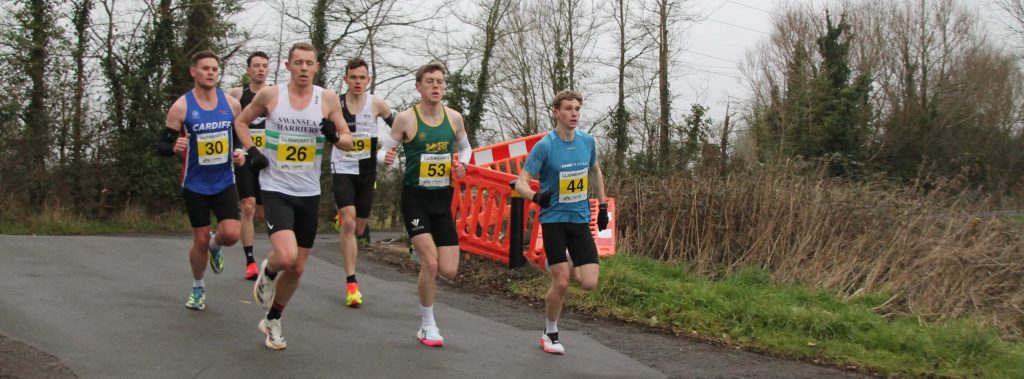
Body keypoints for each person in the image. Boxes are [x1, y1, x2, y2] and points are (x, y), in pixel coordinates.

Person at [234, 42, 353, 350]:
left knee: (298, 267)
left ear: (316, 67)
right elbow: (241, 122)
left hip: (309, 192)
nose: (303, 68)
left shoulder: (326, 98)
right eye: (297, 62)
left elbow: (349, 141)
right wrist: (253, 151)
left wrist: (334, 137)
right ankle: (268, 271)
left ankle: (272, 320)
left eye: (309, 63)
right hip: (275, 188)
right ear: (287, 66)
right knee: (285, 257)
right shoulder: (270, 95)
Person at [379, 61, 473, 347]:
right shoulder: (406, 119)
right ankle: (427, 325)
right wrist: (385, 158)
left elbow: (466, 148)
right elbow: (383, 149)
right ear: (419, 87)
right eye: (430, 81)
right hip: (415, 199)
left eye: (440, 81)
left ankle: (418, 248)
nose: (436, 86)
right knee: (431, 264)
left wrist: (463, 166)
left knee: (449, 270)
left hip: (441, 200)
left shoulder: (454, 118)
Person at [513, 90, 609, 355]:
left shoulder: (587, 141)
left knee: (589, 282)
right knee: (563, 283)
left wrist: (602, 206)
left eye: (577, 108)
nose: (574, 113)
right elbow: (520, 182)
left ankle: (562, 259)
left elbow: (595, 170)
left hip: (579, 219)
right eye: (568, 108)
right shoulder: (546, 145)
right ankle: (550, 332)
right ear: (556, 113)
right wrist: (535, 196)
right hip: (554, 219)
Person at [156, 51, 246, 311]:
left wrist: (240, 152)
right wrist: (174, 147)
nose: (210, 73)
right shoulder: (182, 106)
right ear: (193, 72)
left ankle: (216, 246)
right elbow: (161, 144)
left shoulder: (231, 104)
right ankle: (198, 286)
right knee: (200, 239)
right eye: (205, 68)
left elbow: (239, 136)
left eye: (215, 69)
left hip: (224, 180)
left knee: (231, 234)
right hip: (195, 183)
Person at [329, 57, 395, 307]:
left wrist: (390, 151)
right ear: (346, 79)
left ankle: (348, 220)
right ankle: (351, 283)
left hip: (367, 171)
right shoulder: (335, 103)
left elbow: (398, 128)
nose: (357, 82)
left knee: (358, 228)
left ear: (368, 80)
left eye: (362, 78)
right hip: (342, 166)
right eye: (353, 77)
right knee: (348, 223)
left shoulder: (376, 103)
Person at [228, 51, 271, 280]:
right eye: (256, 66)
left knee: (264, 212)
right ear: (249, 70)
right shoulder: (236, 95)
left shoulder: (274, 95)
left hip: (267, 160)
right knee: (248, 206)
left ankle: (275, 257)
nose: (261, 69)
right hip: (244, 156)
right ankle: (250, 261)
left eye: (264, 66)